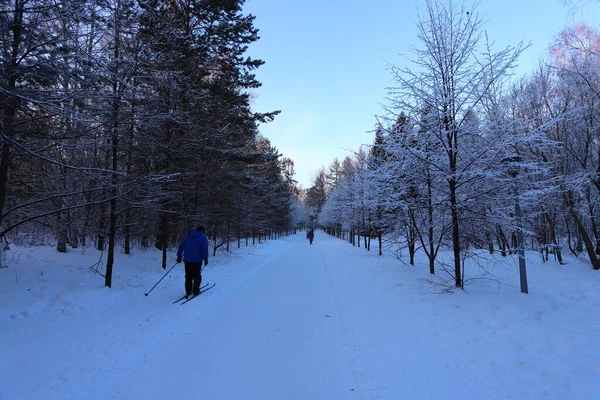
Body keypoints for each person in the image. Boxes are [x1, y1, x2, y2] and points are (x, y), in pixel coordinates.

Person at [177, 226, 209, 297]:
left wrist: (179, 256)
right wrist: (206, 258)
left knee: (188, 276)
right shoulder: (203, 238)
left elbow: (181, 246)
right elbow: (204, 249)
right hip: (197, 261)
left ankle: (188, 291)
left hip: (187, 260)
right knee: (197, 276)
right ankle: (196, 290)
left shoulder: (188, 237)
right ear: (203, 231)